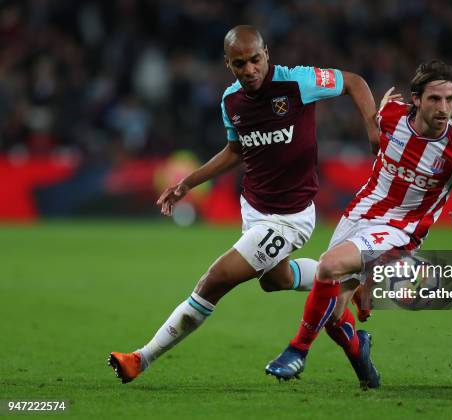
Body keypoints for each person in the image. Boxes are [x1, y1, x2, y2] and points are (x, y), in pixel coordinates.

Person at [107, 25, 379, 384]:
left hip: (290, 218)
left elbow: (354, 81)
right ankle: (346, 279)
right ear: (228, 65)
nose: (249, 69)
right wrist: (188, 182)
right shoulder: (231, 101)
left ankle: (141, 358)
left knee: (214, 280)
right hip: (253, 209)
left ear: (267, 54)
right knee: (276, 280)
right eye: (240, 64)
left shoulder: (298, 83)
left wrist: (373, 129)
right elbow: (236, 150)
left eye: (255, 60)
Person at [265, 60, 452, 389]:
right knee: (333, 314)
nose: (443, 108)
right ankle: (362, 357)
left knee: (329, 265)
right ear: (416, 100)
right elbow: (375, 116)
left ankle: (297, 351)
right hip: (361, 212)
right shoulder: (393, 116)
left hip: (400, 229)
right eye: (435, 99)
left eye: (450, 100)